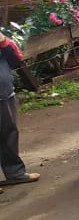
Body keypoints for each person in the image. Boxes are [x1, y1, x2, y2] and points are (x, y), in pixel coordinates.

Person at [0, 29, 39, 188]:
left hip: (5, 94)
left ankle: (15, 173)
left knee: (9, 134)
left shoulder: (3, 41)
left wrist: (3, 42)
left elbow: (16, 60)